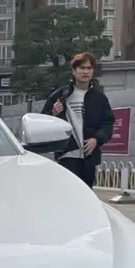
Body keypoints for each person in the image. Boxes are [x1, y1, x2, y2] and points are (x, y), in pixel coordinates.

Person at [41, 52, 114, 189]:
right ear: (74, 71)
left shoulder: (100, 99)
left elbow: (108, 124)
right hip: (67, 154)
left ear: (93, 71)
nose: (85, 72)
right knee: (68, 193)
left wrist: (96, 139)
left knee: (86, 193)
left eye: (89, 68)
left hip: (89, 156)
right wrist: (54, 114)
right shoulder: (61, 95)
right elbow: (43, 120)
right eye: (81, 68)